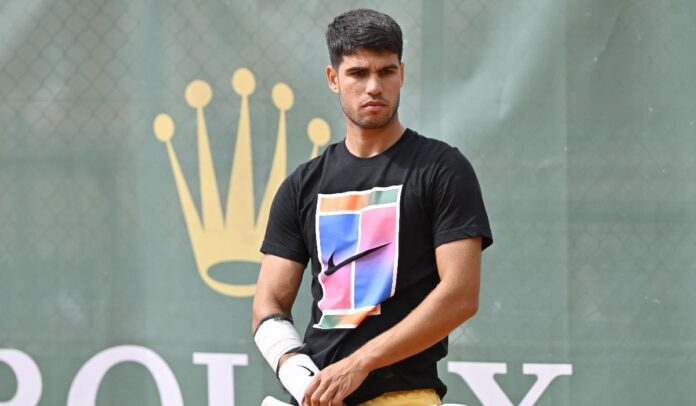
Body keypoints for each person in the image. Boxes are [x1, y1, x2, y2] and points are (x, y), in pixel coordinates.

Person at [252, 8, 492, 406]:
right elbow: (268, 303)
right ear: (333, 79)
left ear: (402, 73)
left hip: (404, 394)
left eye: (386, 71)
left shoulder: (442, 169)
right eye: (358, 73)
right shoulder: (302, 185)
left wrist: (360, 363)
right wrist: (296, 370)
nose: (374, 87)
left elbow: (460, 295)